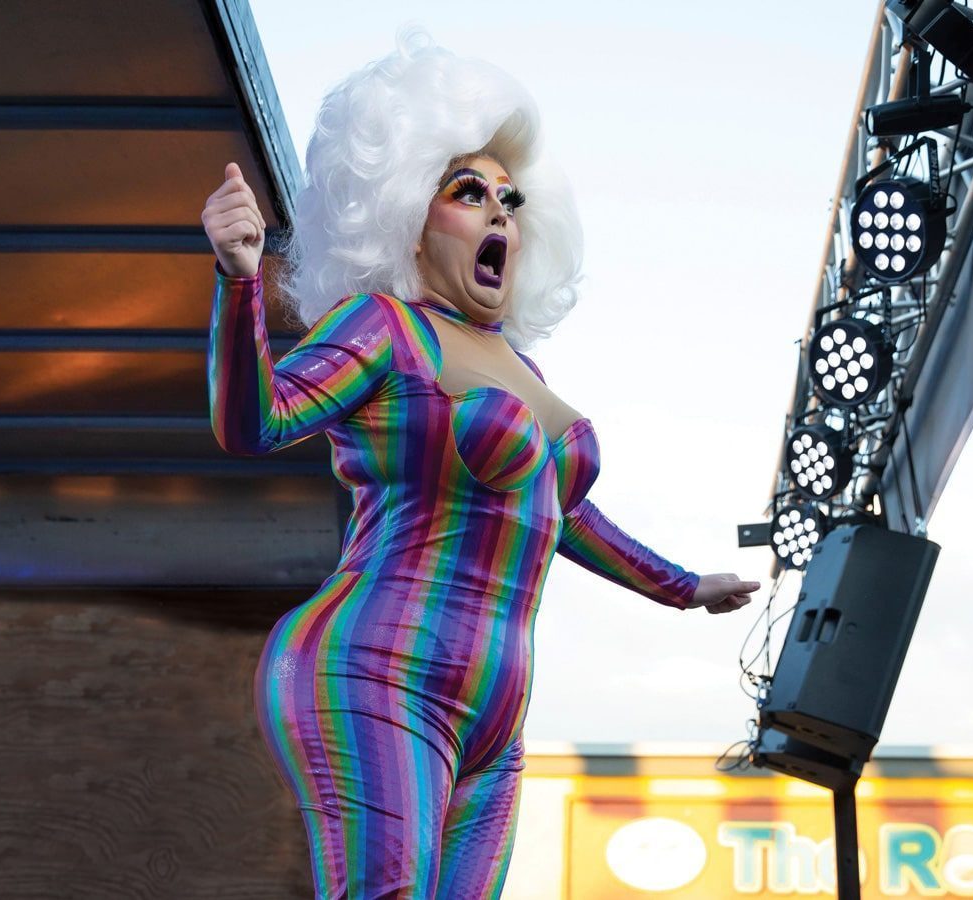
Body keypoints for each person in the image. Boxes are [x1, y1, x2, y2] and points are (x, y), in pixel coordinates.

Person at [200, 28, 759, 900]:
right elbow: (258, 422)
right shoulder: (383, 325)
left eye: (511, 197)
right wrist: (239, 282)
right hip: (374, 670)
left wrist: (685, 586)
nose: (501, 211)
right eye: (468, 192)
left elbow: (564, 515)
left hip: (497, 714)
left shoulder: (525, 373)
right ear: (406, 219)